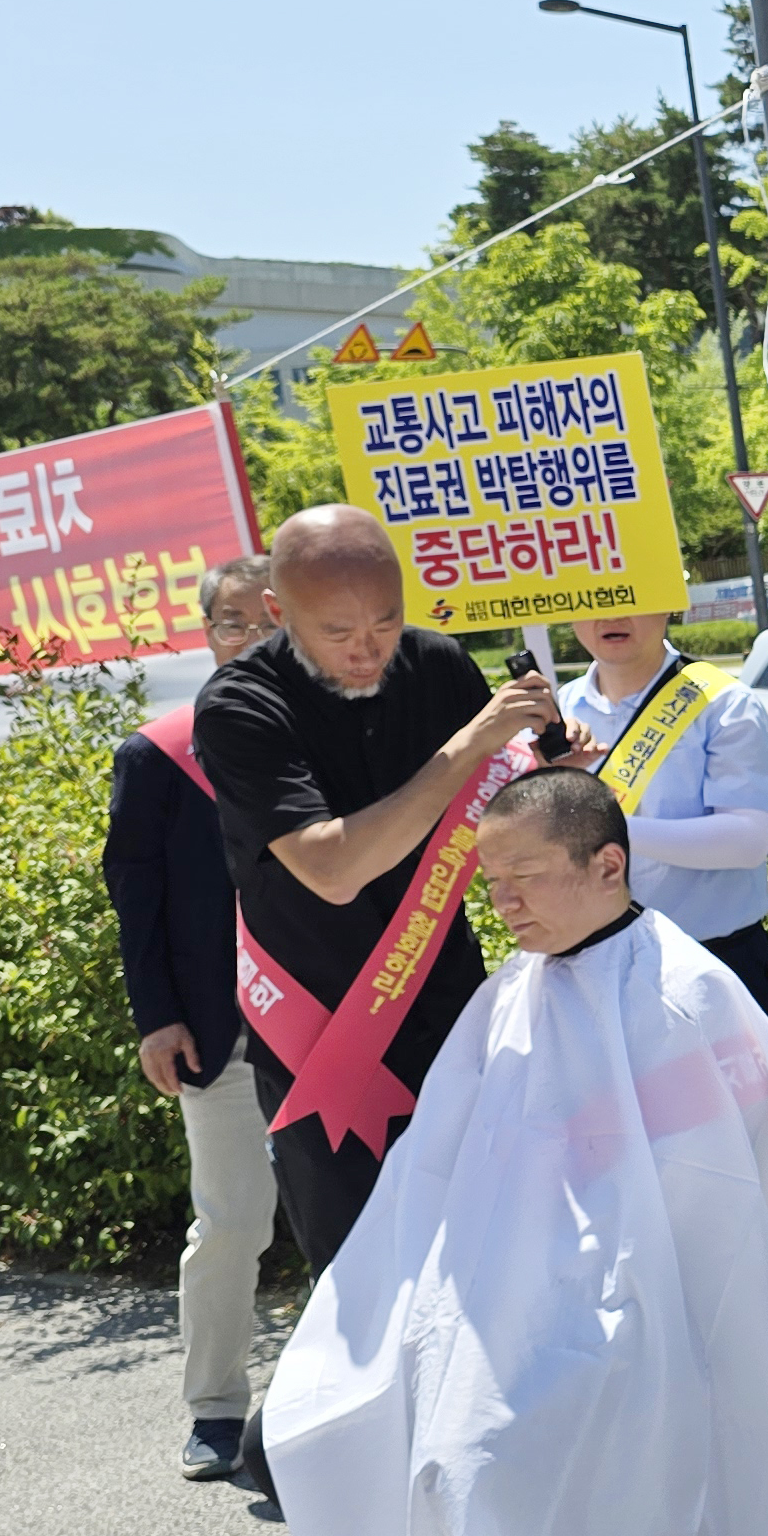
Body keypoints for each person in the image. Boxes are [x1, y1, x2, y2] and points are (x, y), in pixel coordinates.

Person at [268, 766, 768, 1536]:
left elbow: (711, 1206)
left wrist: (589, 1299)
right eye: (489, 882)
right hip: (500, 1293)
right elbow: (442, 1178)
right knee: (340, 1417)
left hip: (643, 1310)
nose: (502, 903)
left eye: (524, 878)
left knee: (489, 1458)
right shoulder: (508, 996)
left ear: (607, 865)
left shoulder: (684, 995)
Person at [194, 505, 582, 1279]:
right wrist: (469, 744)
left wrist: (560, 782)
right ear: (277, 612)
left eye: (386, 621)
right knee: (361, 1274)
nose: (369, 650)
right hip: (318, 1030)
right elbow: (333, 870)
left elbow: (499, 824)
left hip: (446, 1008)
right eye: (337, 633)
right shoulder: (240, 706)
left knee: (488, 1253)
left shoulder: (435, 666)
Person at [552, 606, 768, 1419]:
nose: (610, 618)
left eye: (630, 596)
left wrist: (603, 825)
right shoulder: (555, 712)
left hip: (718, 969)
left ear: (667, 601)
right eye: (592, 598)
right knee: (630, 1173)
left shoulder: (721, 702)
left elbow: (748, 838)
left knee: (761, 1163)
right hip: (598, 973)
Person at [102, 555, 281, 1482]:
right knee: (231, 1226)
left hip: (337, 1029)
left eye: (267, 620)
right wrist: (157, 1018)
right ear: (206, 635)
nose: (250, 638)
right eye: (231, 623)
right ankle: (215, 1407)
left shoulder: (325, 737)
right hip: (222, 1034)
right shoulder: (160, 754)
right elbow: (139, 902)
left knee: (361, 1223)